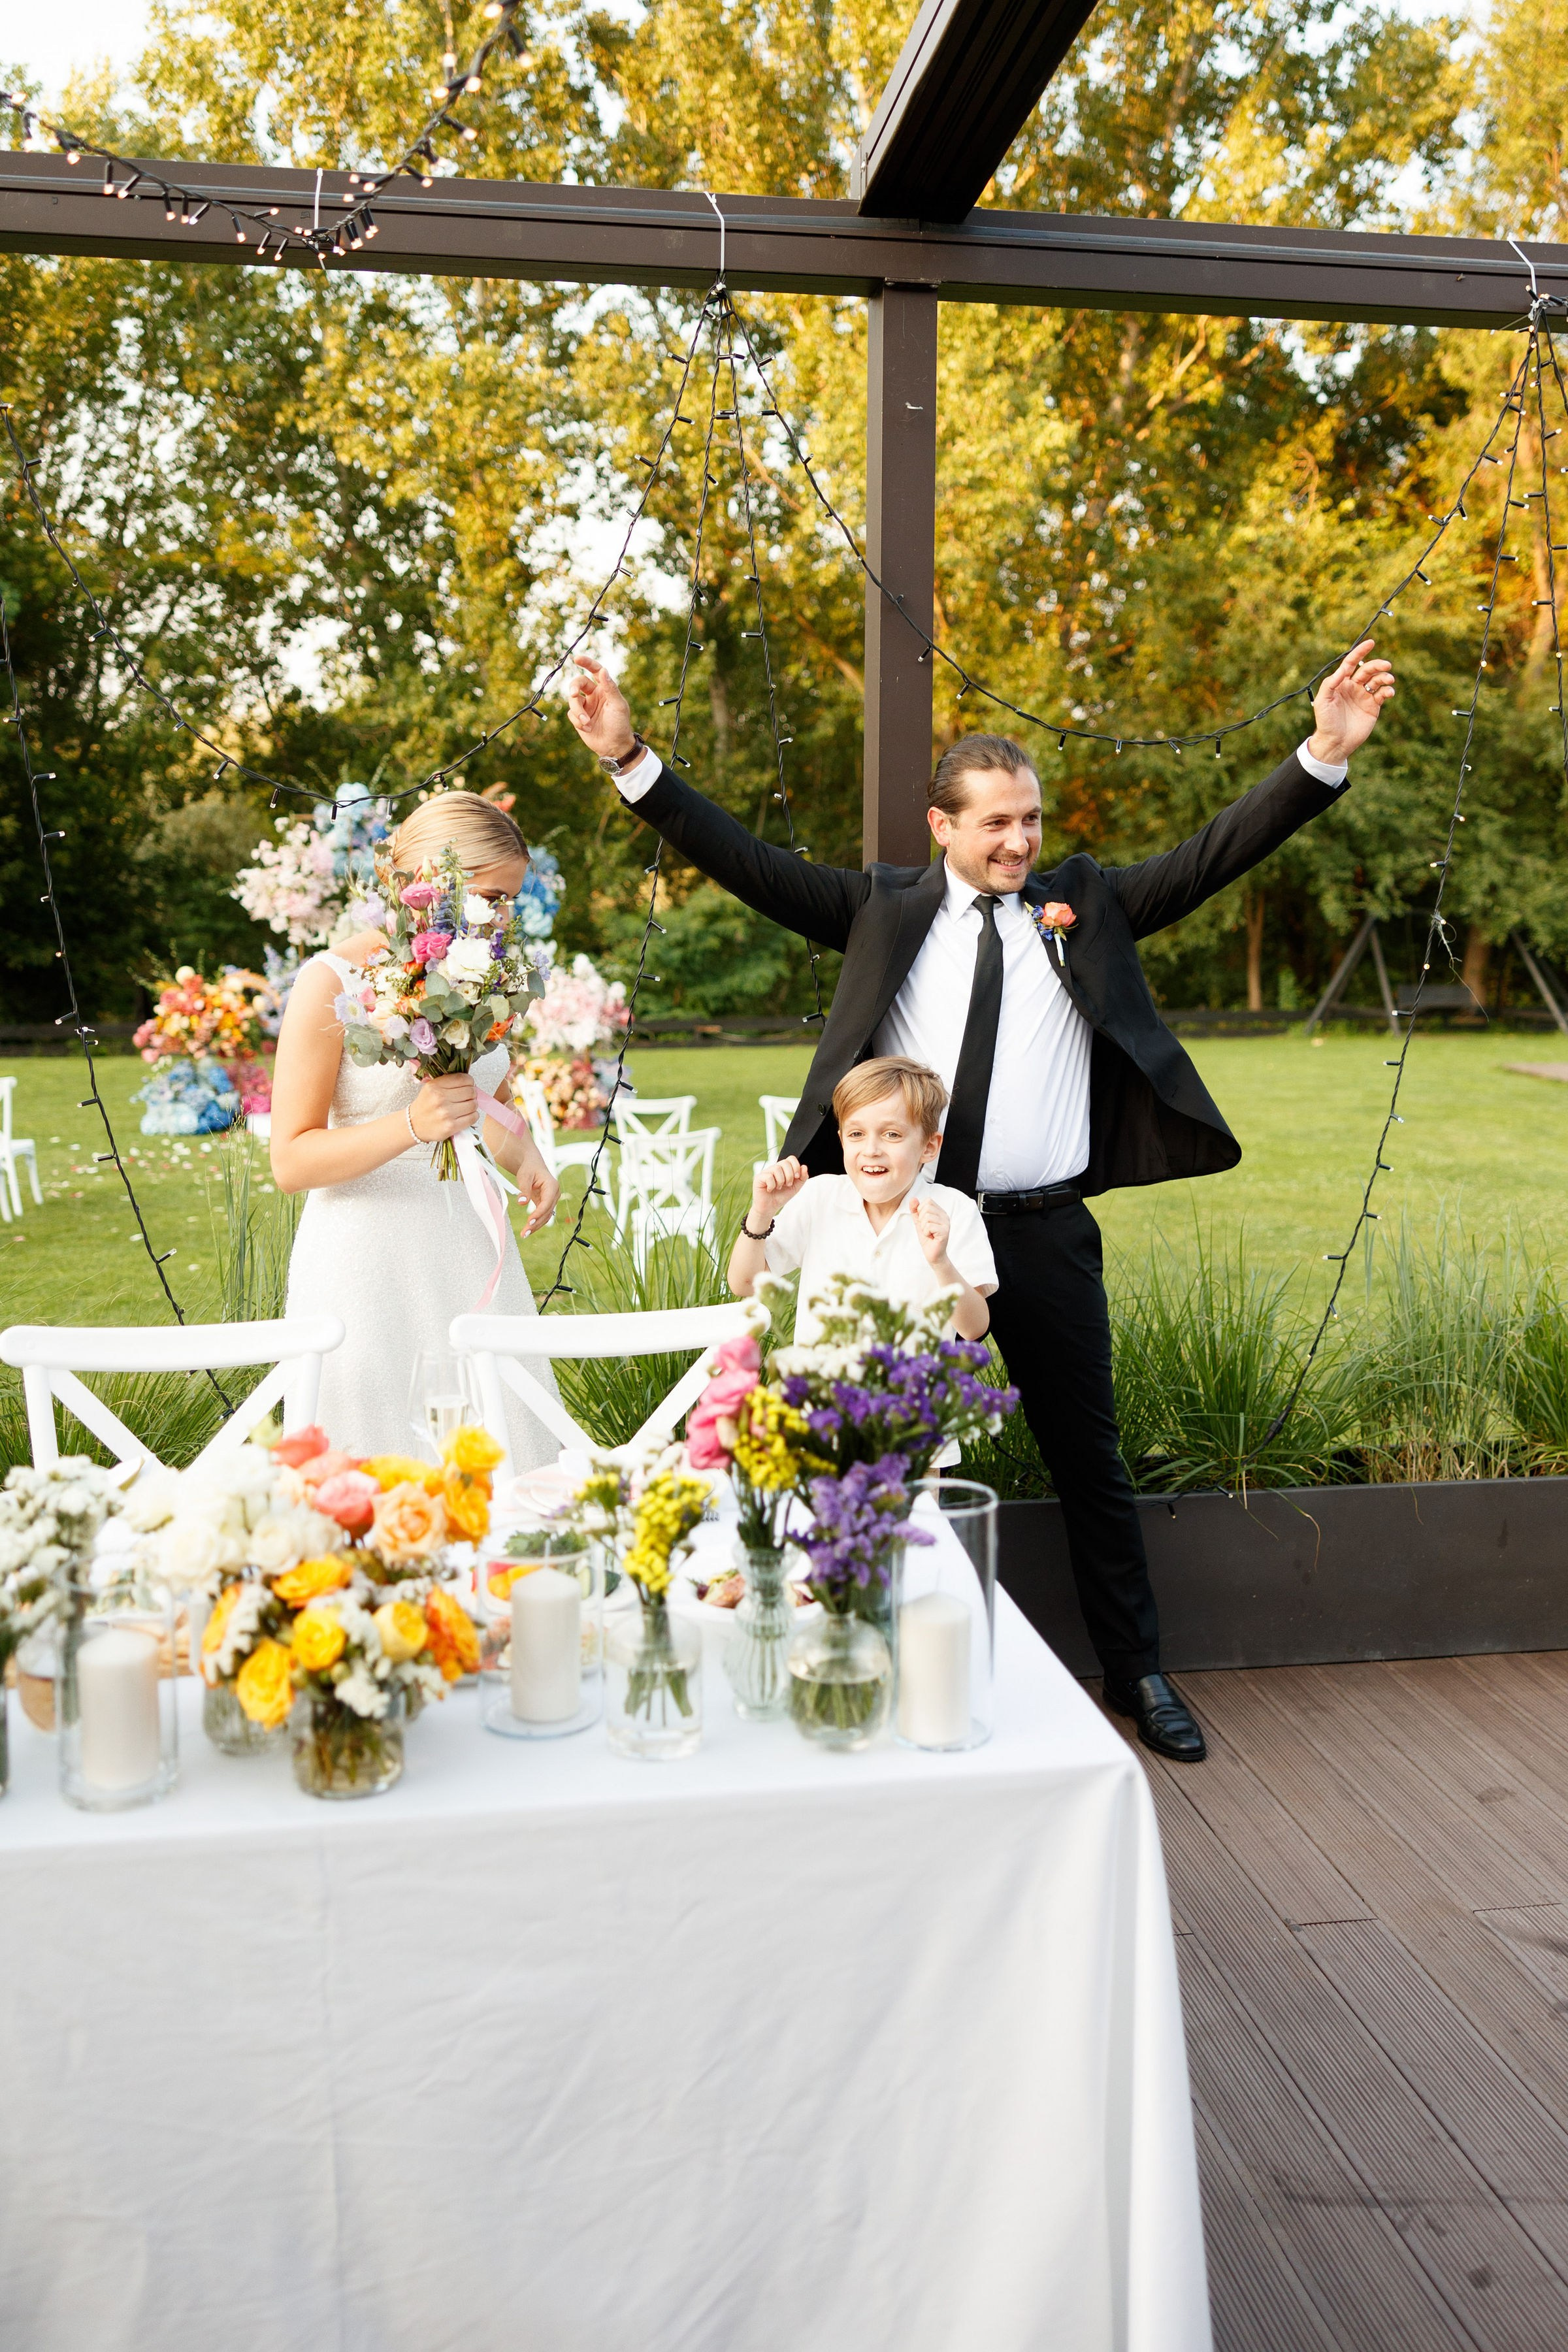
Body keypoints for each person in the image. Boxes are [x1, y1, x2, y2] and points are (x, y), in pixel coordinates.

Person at [566, 640, 1396, 1761]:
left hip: (1046, 1232)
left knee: (1088, 1460)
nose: (1020, 842)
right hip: (909, 1237)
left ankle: (1139, 1670)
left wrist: (1321, 758)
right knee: (857, 1452)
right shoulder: (883, 911)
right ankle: (837, 1647)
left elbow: (1209, 859)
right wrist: (628, 758)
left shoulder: (1082, 905)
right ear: (941, 826)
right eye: (997, 823)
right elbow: (747, 862)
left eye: (1032, 822)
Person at [270, 790, 563, 1464]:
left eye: (511, 900)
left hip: (466, 1246)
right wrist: (410, 1125)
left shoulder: (488, 972)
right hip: (366, 1264)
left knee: (499, 1463)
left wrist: (526, 1158)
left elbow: (485, 1097)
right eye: (491, 896)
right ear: (426, 883)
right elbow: (291, 1161)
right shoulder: (331, 982)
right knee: (369, 1476)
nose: (502, 917)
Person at [729, 1056, 996, 1347]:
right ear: (842, 1140)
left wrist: (941, 1262)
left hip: (912, 1390)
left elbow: (974, 1328)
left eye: (892, 1134)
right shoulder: (819, 1197)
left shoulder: (953, 1210)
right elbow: (745, 1283)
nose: (871, 1150)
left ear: (929, 1146)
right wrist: (761, 1213)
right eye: (857, 1134)